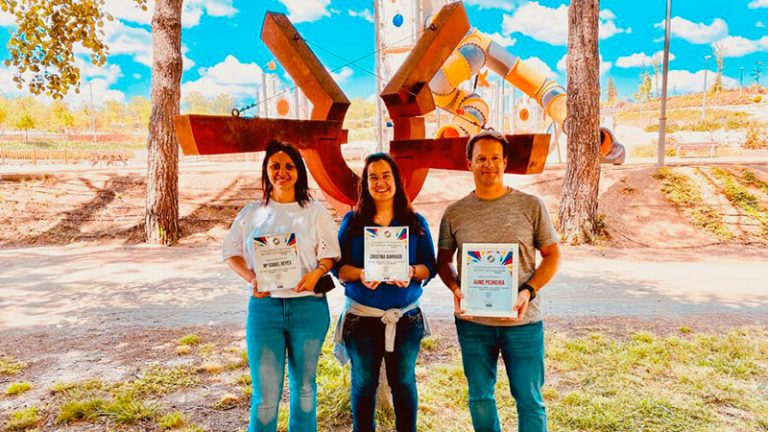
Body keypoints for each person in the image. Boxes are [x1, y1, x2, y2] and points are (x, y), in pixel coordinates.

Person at [436, 130, 561, 432]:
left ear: (505, 162)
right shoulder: (455, 213)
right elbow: (443, 261)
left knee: (529, 398)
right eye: (481, 158)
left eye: (494, 158)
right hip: (474, 323)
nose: (488, 164)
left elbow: (552, 255)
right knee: (480, 397)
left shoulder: (531, 206)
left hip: (523, 321)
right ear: (470, 164)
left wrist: (527, 291)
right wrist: (455, 288)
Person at [222, 141, 341, 432]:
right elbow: (230, 252)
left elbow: (331, 254)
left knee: (304, 389)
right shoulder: (252, 212)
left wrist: (318, 273)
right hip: (265, 310)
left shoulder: (314, 211)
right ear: (266, 171)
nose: (282, 172)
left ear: (298, 171)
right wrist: (251, 279)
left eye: (289, 166)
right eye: (275, 166)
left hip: (308, 309)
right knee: (265, 396)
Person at [333, 153, 436, 432]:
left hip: (405, 319)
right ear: (365, 184)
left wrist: (413, 271)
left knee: (403, 382)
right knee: (364, 383)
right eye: (373, 177)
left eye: (385, 175)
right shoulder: (352, 222)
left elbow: (430, 266)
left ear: (397, 180)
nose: (380, 182)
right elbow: (338, 267)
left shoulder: (415, 222)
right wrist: (361, 274)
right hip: (361, 319)